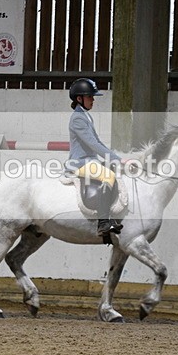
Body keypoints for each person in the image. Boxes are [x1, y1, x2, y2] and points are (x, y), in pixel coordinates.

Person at [66, 78, 124, 236]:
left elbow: (98, 142)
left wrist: (115, 157)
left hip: (89, 161)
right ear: (79, 99)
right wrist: (117, 160)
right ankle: (103, 222)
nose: (93, 100)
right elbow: (93, 145)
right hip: (80, 163)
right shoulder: (78, 118)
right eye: (90, 97)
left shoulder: (85, 116)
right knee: (108, 176)